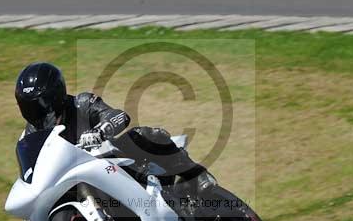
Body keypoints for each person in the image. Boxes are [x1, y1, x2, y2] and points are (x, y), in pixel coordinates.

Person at [14, 62, 215, 197]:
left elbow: (119, 115)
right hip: (78, 181)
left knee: (145, 135)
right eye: (29, 106)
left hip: (113, 160)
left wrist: (100, 131)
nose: (36, 111)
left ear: (56, 95)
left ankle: (196, 175)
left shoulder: (81, 104)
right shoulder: (31, 135)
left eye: (40, 104)